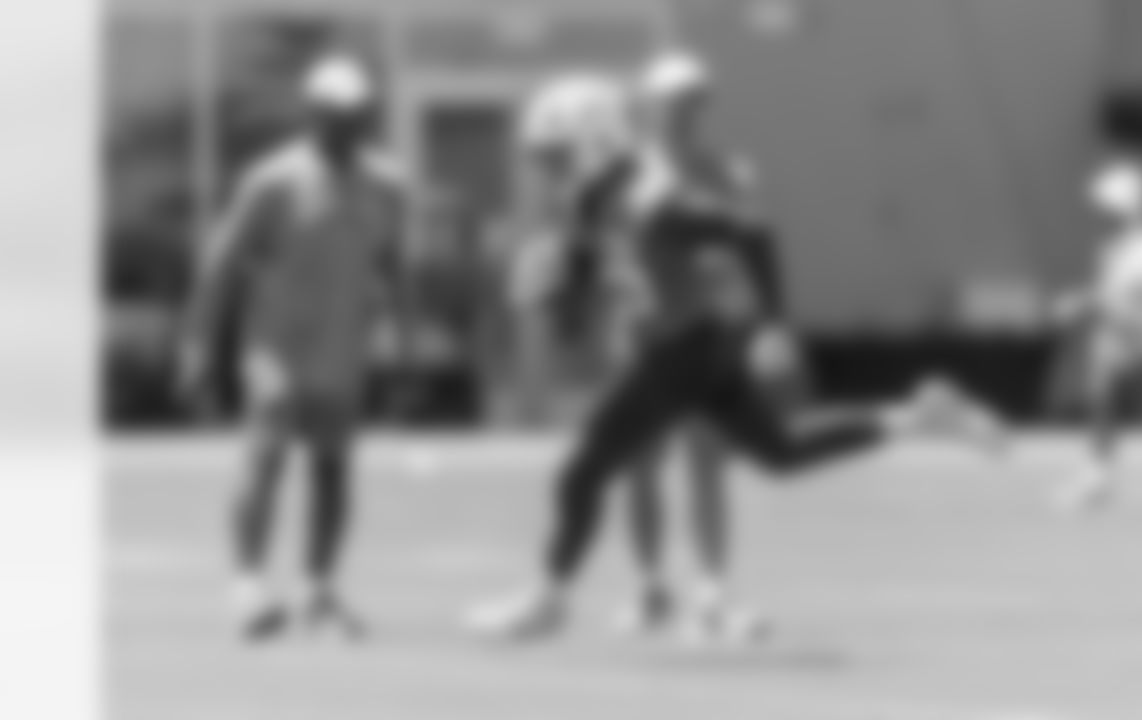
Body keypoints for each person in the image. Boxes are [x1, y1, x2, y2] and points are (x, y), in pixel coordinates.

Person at [466, 59, 1005, 642]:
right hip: (697, 344)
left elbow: (750, 231)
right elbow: (594, 275)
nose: (550, 169)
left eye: (557, 155)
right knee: (781, 454)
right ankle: (918, 416)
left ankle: (550, 601)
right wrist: (563, 287)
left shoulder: (646, 196)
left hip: (682, 347)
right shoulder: (600, 199)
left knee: (583, 472)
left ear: (594, 140)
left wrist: (773, 324)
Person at [178, 54, 410, 640]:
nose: (345, 126)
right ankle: (248, 585)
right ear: (313, 114)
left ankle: (318, 587)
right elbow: (222, 267)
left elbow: (394, 269)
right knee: (267, 449)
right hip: (275, 346)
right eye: (334, 114)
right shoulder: (274, 180)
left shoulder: (387, 187)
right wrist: (198, 347)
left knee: (332, 468)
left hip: (341, 348)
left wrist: (403, 347)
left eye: (355, 115)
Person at [612, 50, 770, 643]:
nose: (685, 111)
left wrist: (754, 325)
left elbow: (743, 248)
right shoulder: (631, 174)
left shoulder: (730, 172)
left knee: (706, 461)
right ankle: (650, 587)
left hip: (707, 334)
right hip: (648, 333)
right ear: (650, 106)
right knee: (641, 463)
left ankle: (712, 592)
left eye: (694, 100)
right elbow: (625, 247)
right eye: (674, 101)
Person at [1052, 158, 1142, 512]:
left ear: (1122, 211)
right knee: (1105, 376)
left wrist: (1079, 305)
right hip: (1137, 344)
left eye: (1105, 209)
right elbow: (1113, 302)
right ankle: (1098, 476)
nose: (1098, 216)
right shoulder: (1114, 250)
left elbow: (1127, 299)